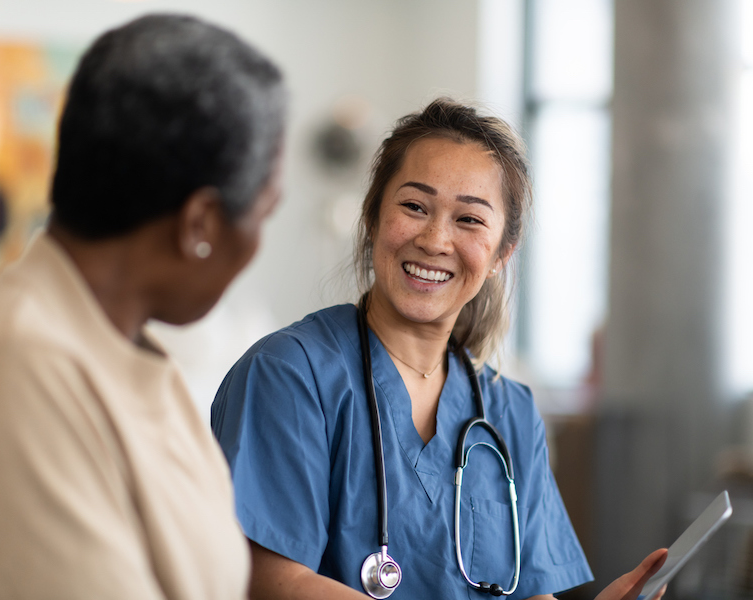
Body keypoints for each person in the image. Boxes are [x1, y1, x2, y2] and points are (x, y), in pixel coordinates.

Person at [211, 99, 666, 600]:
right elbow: (273, 581)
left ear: (500, 254)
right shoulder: (288, 375)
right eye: (414, 206)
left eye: (469, 220)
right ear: (373, 218)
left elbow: (529, 592)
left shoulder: (509, 411)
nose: (434, 240)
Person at [0, 14, 285, 600]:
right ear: (201, 225)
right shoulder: (17, 367)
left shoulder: (127, 352)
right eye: (263, 214)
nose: (259, 244)